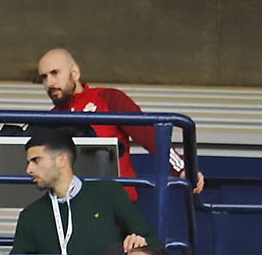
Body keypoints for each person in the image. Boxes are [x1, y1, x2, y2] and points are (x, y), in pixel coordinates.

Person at [37, 47, 200, 197]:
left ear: (75, 73)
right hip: (69, 204)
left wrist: (183, 169)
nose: (49, 83)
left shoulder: (109, 98)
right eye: (44, 77)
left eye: (55, 73)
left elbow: (150, 135)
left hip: (115, 200)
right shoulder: (48, 119)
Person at [12, 129, 161, 255]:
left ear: (62, 160)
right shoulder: (30, 216)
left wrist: (140, 243)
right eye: (28, 163)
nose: (29, 170)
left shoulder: (108, 192)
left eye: (36, 160)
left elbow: (155, 245)